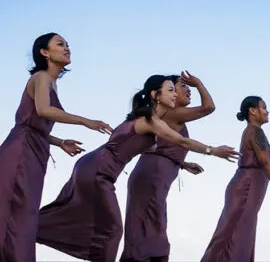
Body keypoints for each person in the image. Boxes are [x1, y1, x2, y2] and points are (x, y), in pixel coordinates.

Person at [37, 75, 238, 262]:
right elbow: (182, 141)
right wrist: (213, 150)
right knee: (112, 230)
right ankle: (24, 228)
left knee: (91, 223)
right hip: (98, 171)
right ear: (155, 95)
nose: (175, 94)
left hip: (95, 169)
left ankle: (25, 228)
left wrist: (182, 164)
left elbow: (154, 148)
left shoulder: (150, 120)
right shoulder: (150, 121)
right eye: (170, 90)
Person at [0, 32, 112, 262]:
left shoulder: (52, 83)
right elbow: (43, 111)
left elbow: (33, 122)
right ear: (45, 52)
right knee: (14, 213)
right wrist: (85, 121)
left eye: (68, 44)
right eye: (60, 44)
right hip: (20, 152)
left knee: (24, 215)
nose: (67, 48)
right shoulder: (41, 76)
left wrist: (59, 142)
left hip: (35, 149)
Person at [121, 71, 215, 262]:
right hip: (152, 177)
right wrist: (199, 84)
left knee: (149, 229)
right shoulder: (174, 113)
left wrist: (182, 163)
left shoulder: (167, 115)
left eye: (188, 86)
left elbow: (160, 147)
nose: (188, 90)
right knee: (148, 231)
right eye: (182, 86)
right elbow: (208, 107)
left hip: (154, 175)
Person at [200, 95, 270, 262]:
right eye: (264, 107)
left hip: (251, 188)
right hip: (246, 188)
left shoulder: (255, 131)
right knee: (234, 234)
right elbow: (265, 162)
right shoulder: (254, 131)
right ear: (253, 111)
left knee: (241, 234)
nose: (267, 111)